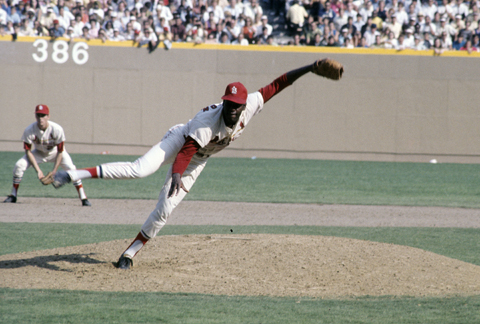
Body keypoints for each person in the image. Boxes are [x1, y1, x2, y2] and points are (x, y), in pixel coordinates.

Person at [52, 59, 339, 269]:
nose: (232, 108)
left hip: (197, 160)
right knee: (140, 170)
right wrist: (176, 173)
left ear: (242, 105)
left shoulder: (251, 104)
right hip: (182, 141)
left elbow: (279, 83)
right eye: (228, 103)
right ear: (224, 101)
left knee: (164, 210)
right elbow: (186, 152)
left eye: (236, 105)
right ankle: (75, 173)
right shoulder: (207, 123)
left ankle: (129, 253)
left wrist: (311, 67)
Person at [4, 105, 91, 207]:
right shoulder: (29, 130)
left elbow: (60, 151)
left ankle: (83, 198)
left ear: (48, 116)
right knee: (19, 165)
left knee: (72, 168)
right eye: (38, 115)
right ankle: (13, 195)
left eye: (43, 115)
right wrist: (38, 170)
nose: (41, 118)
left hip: (56, 153)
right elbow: (28, 151)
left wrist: (54, 171)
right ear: (35, 116)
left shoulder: (57, 129)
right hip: (38, 153)